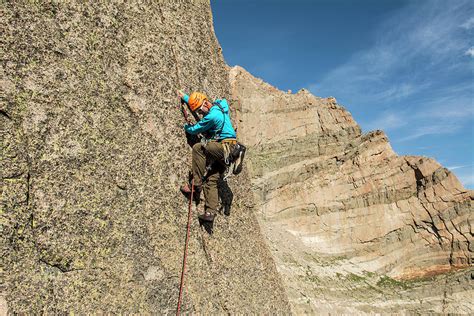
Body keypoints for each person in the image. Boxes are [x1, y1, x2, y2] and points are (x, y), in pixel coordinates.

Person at [178, 90, 238, 222]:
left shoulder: (213, 116)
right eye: (198, 111)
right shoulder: (220, 108)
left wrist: (186, 127)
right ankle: (210, 213)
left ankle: (196, 185)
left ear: (205, 103)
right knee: (212, 179)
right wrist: (186, 98)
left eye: (200, 110)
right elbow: (198, 103)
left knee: (199, 147)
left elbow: (196, 129)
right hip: (227, 153)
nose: (200, 113)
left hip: (225, 148)